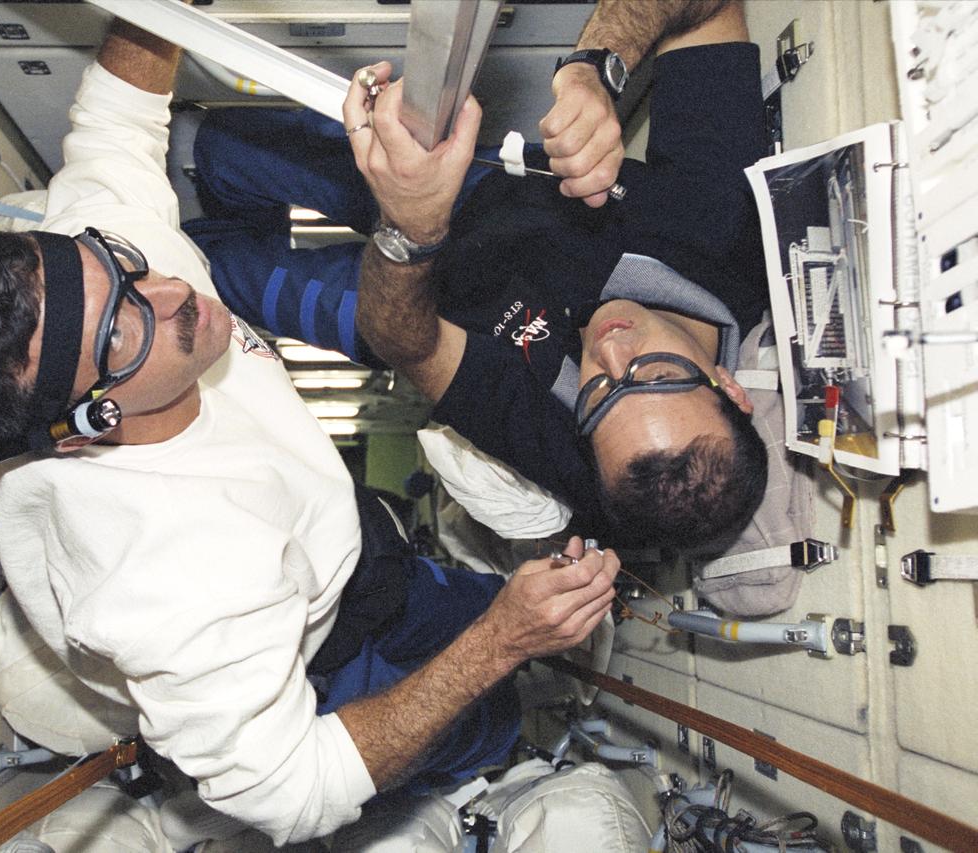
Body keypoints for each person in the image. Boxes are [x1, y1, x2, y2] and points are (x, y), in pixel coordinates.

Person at [0, 14, 619, 848]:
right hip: (321, 650)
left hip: (361, 549)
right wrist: (499, 644)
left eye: (121, 265)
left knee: (476, 606)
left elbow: (115, 120)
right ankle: (503, 731)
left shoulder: (93, 278)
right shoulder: (172, 589)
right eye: (124, 332)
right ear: (88, 424)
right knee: (484, 717)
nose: (169, 292)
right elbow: (292, 794)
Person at [184, 0, 770, 547]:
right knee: (226, 146)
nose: (612, 353)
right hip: (476, 184)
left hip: (409, 308)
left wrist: (410, 231)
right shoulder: (725, 234)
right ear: (730, 386)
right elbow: (709, 10)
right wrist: (595, 68)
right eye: (656, 373)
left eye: (598, 393)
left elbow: (412, 349)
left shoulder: (578, 451)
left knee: (212, 276)